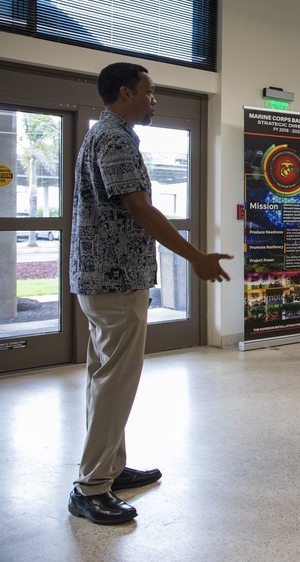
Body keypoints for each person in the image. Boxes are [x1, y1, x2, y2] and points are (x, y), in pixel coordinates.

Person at [68, 62, 234, 525]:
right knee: (115, 383)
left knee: (106, 379)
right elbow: (140, 208)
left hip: (101, 279)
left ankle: (110, 470)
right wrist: (195, 256)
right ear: (126, 93)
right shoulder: (115, 138)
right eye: (149, 91)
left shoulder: (102, 134)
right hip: (115, 280)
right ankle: (91, 487)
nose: (154, 99)